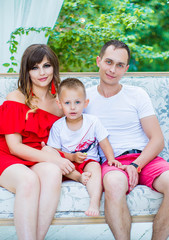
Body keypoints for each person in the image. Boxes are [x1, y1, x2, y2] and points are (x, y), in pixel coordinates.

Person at [84, 40, 169, 240]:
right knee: (114, 183)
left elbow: (157, 140)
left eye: (120, 65)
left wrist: (135, 165)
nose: (113, 69)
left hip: (144, 158)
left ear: (126, 69)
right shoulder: (85, 98)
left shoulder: (137, 94)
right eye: (109, 62)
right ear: (98, 61)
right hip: (111, 161)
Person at [0, 44, 75, 240]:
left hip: (38, 157)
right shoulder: (17, 98)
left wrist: (59, 158)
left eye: (46, 66)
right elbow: (14, 147)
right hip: (5, 157)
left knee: (53, 171)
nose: (42, 72)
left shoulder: (61, 102)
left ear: (54, 68)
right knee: (28, 180)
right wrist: (54, 159)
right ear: (27, 71)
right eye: (35, 67)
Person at [47, 77, 122, 217]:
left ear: (85, 103)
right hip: (68, 163)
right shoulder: (58, 126)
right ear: (59, 104)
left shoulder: (92, 122)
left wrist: (111, 158)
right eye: (67, 103)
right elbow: (54, 151)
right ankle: (78, 177)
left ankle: (94, 202)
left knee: (94, 169)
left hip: (89, 161)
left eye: (77, 102)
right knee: (58, 166)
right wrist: (72, 157)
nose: (73, 107)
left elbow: (104, 141)